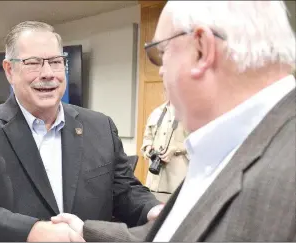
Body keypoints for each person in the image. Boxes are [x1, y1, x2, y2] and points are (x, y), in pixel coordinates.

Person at [52, 1, 296, 241]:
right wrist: (85, 233)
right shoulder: (227, 148)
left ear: (201, 49)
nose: (160, 71)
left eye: (161, 53)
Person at [0, 21, 162, 242]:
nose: (48, 73)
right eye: (33, 63)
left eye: (55, 62)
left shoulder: (100, 126)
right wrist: (34, 231)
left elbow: (125, 191)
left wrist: (153, 209)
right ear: (9, 70)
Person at [141, 100, 188, 203]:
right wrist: (148, 147)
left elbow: (197, 142)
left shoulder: (190, 112)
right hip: (153, 183)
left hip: (176, 184)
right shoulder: (156, 112)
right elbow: (147, 137)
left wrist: (176, 148)